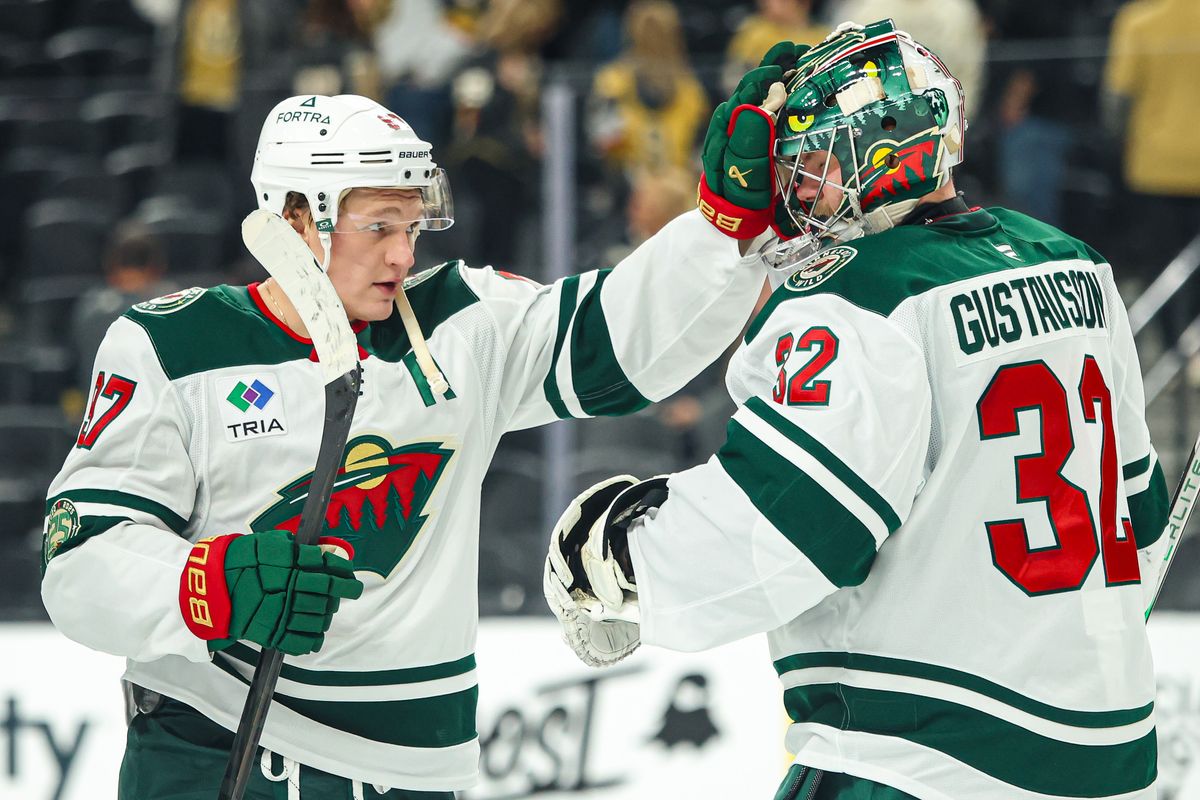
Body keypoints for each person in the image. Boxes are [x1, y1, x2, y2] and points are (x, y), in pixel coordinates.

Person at [40, 91, 771, 798]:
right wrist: (209, 585)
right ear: (295, 219)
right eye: (380, 226)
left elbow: (626, 338)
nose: (402, 254)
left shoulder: (463, 324)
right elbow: (79, 567)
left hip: (411, 774)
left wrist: (725, 224)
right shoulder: (171, 346)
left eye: (413, 227)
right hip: (214, 750)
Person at [546, 21, 1170, 800]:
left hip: (918, 758)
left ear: (883, 149)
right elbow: (1139, 514)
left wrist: (619, 557)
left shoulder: (857, 299)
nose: (799, 193)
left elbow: (779, 535)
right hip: (1109, 754)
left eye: (811, 164)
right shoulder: (1077, 265)